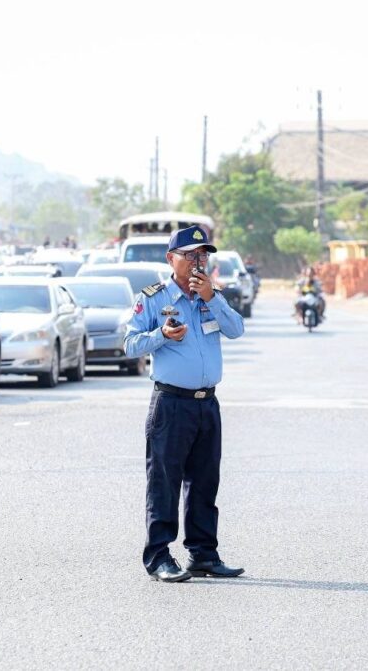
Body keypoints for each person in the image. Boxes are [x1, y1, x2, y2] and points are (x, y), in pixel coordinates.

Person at [124, 225, 246, 583]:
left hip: (207, 403)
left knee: (205, 481)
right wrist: (161, 335)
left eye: (203, 255)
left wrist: (212, 297)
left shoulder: (211, 296)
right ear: (171, 259)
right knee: (164, 482)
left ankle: (203, 554)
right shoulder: (154, 298)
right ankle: (159, 557)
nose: (198, 261)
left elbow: (236, 329)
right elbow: (130, 345)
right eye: (190, 255)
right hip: (171, 403)